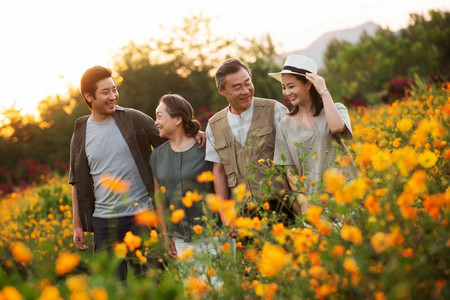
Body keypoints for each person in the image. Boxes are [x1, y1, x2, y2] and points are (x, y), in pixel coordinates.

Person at [68, 66, 205, 280]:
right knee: (112, 289)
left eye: (114, 89)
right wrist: (77, 224)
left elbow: (171, 136)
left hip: (142, 217)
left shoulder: (133, 118)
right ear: (88, 96)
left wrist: (194, 132)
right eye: (106, 92)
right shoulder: (80, 132)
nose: (113, 96)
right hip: (104, 224)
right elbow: (76, 181)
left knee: (152, 284)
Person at [269, 55, 358, 210]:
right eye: (284, 87)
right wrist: (304, 203)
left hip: (346, 190)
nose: (286, 92)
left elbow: (337, 128)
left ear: (308, 84)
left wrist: (324, 91)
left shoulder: (336, 109)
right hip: (315, 201)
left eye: (291, 86)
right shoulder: (285, 125)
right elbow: (290, 171)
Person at [205, 58, 290, 217]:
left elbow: (293, 158)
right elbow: (219, 171)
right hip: (242, 214)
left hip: (281, 205)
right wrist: (225, 215)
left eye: (247, 83)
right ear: (221, 90)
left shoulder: (275, 110)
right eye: (237, 87)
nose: (245, 91)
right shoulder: (213, 125)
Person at [150, 94, 215, 257]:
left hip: (214, 236)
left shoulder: (205, 147)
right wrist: (165, 234)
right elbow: (160, 198)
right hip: (181, 241)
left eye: (159, 116)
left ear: (177, 119)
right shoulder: (157, 156)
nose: (156, 122)